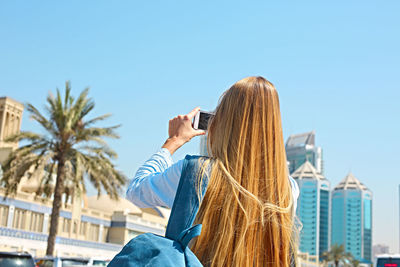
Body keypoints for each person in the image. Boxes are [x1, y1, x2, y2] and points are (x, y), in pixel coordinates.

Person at [126, 76, 299, 267]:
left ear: (222, 124)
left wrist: (173, 140)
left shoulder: (196, 174)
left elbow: (136, 191)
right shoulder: (288, 189)